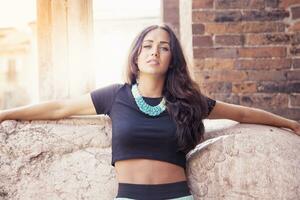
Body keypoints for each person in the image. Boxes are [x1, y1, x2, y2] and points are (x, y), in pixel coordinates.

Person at [0, 24, 299, 200]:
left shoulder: (188, 101)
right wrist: (4, 113)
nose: (154, 52)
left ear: (172, 59)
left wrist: (291, 124)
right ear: (136, 55)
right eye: (148, 46)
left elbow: (243, 115)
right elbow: (59, 107)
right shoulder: (114, 96)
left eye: (164, 47)